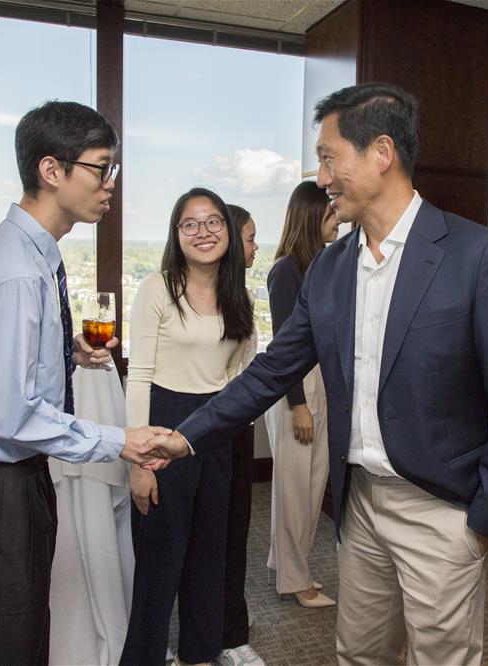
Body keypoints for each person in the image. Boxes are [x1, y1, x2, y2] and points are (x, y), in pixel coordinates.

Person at [145, 82, 488, 665]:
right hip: (359, 505)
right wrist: (185, 437)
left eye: (330, 157)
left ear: (382, 153)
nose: (322, 175)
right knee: (357, 655)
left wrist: (483, 520)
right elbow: (270, 372)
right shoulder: (331, 268)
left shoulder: (475, 256)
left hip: (442, 512)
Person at [0, 100, 168, 666]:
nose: (110, 185)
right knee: (5, 641)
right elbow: (9, 416)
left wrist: (65, 352)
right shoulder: (16, 269)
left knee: (19, 634)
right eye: (101, 169)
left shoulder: (35, 254)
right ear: (51, 170)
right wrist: (118, 440)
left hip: (8, 481)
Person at [120, 188, 254, 666]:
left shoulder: (241, 293)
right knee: (159, 563)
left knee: (208, 558)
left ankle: (200, 654)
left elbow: (242, 376)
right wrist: (138, 461)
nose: (203, 232)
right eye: (190, 224)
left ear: (227, 231)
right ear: (176, 235)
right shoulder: (157, 288)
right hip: (162, 426)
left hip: (215, 433)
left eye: (213, 221)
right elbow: (137, 376)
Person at [265, 181, 339, 608]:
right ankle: (296, 580)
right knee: (298, 489)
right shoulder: (285, 271)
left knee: (309, 486)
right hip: (297, 389)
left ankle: (285, 561)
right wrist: (298, 405)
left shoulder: (320, 264)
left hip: (320, 381)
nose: (337, 220)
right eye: (330, 214)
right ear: (313, 217)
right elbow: (283, 347)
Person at [216, 203, 265, 666]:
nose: (256, 247)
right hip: (202, 429)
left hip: (239, 429)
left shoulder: (244, 298)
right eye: (250, 238)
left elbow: (250, 369)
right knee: (198, 537)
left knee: (235, 534)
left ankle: (231, 631)